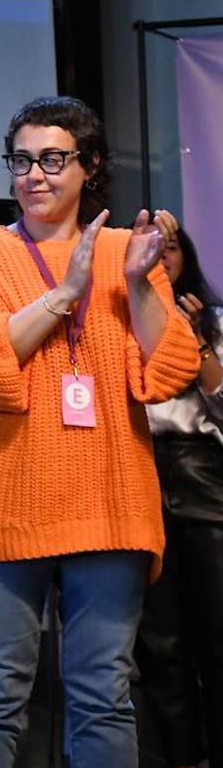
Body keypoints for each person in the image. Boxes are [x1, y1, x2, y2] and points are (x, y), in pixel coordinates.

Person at [0, 95, 199, 767]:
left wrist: (139, 285)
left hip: (111, 502)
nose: (35, 174)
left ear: (89, 168)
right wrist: (67, 290)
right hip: (5, 499)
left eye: (53, 159)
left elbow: (167, 369)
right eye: (21, 160)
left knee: (102, 692)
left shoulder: (128, 250)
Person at [136, 225, 223, 768]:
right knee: (159, 646)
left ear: (185, 257)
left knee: (218, 637)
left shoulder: (213, 321)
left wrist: (198, 343)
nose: (159, 257)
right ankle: (181, 758)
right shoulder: (117, 320)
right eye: (149, 247)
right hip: (138, 474)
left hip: (206, 477)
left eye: (169, 247)